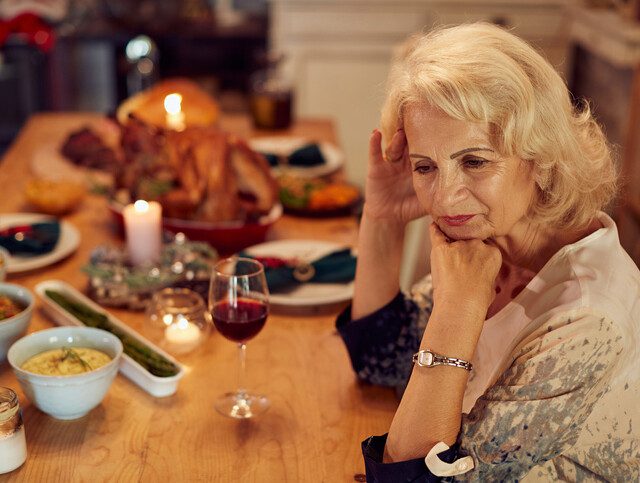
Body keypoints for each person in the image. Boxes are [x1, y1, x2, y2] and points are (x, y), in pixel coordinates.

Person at [336, 23, 640, 481]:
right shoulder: (491, 243)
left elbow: (422, 478)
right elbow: (384, 357)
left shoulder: (588, 318)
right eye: (426, 166)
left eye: (475, 161)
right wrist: (381, 218)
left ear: (542, 155)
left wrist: (458, 309)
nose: (444, 197)